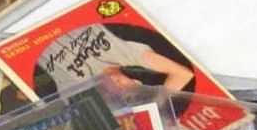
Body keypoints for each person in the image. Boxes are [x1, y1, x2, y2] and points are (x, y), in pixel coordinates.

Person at [33, 22, 195, 96]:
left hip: (28, 32)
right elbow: (184, 74)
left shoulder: (74, 86)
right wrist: (156, 103)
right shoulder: (127, 55)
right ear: (137, 82)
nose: (120, 87)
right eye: (128, 88)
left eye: (119, 94)